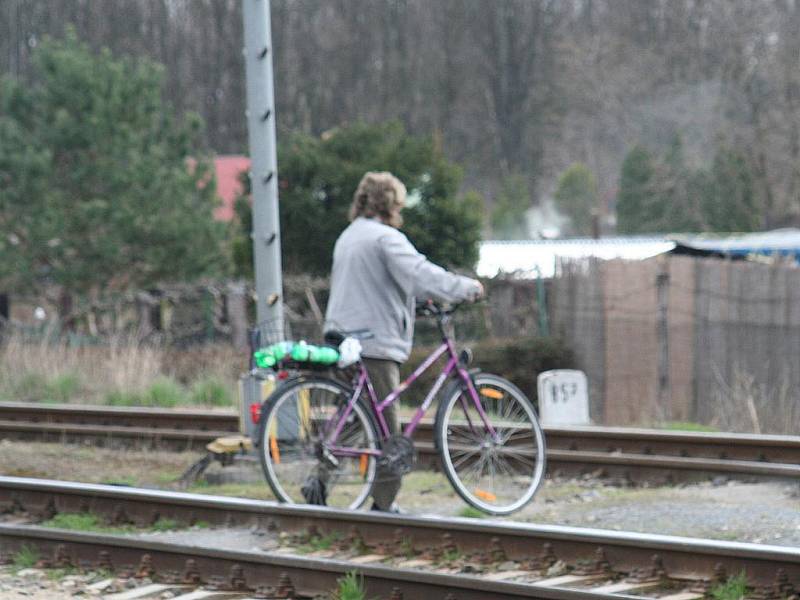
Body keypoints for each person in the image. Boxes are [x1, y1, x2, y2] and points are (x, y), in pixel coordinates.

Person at [325, 171, 483, 511]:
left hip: (342, 336)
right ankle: (384, 505)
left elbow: (377, 283)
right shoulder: (385, 238)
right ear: (390, 204)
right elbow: (419, 274)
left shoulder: (349, 236)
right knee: (388, 431)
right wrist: (465, 287)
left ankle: (318, 480)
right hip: (374, 341)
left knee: (353, 418)